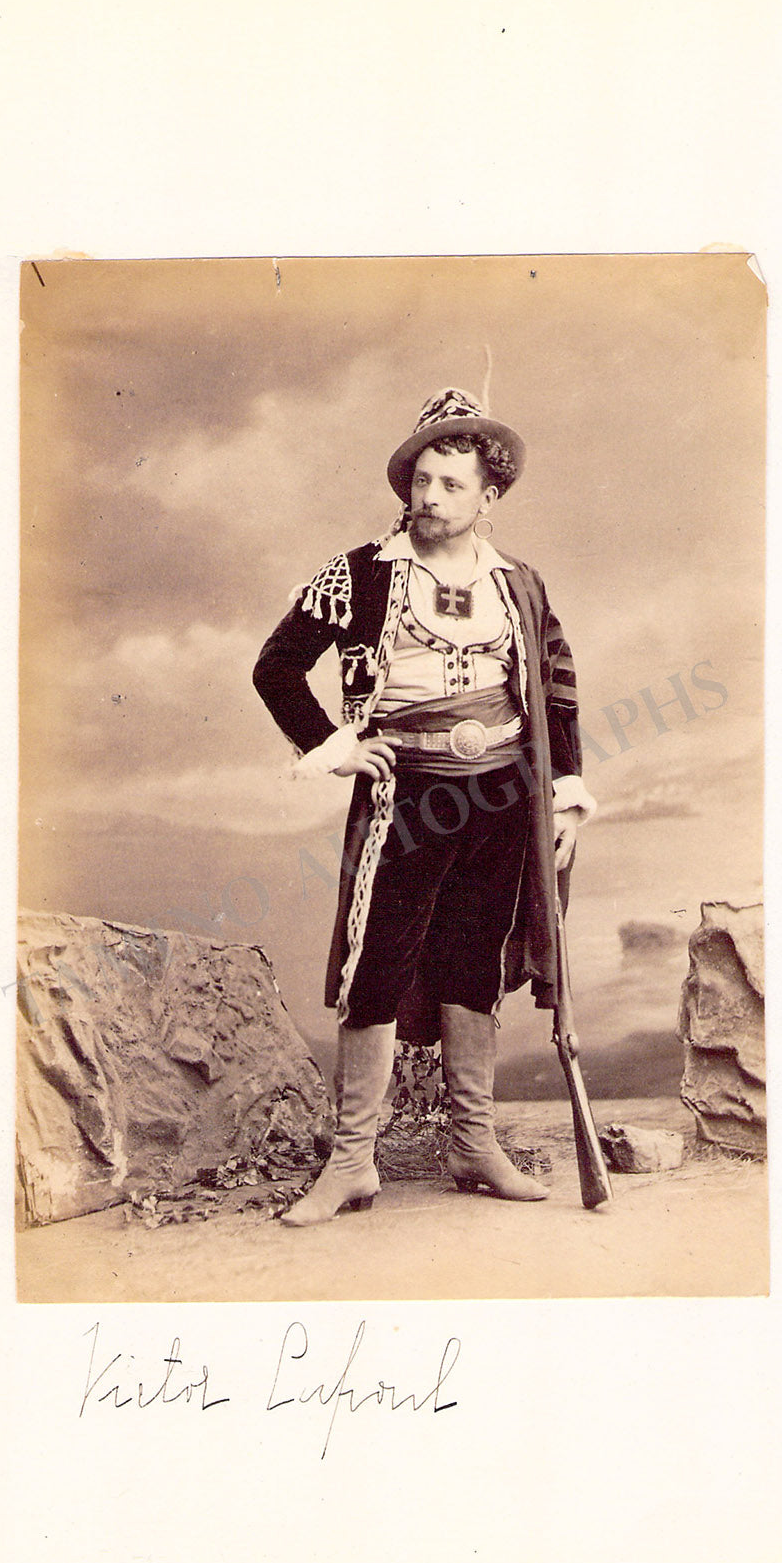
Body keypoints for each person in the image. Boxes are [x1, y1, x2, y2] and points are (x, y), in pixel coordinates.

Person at [253, 387, 595, 1225]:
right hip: (405, 794)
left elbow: (555, 694)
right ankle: (351, 1163)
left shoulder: (519, 584)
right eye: (421, 480)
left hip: (502, 795)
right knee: (378, 965)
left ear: (489, 495)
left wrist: (564, 791)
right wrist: (333, 745)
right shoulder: (362, 573)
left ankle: (473, 1144)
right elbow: (276, 667)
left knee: (473, 962)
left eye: (451, 484)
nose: (430, 498)